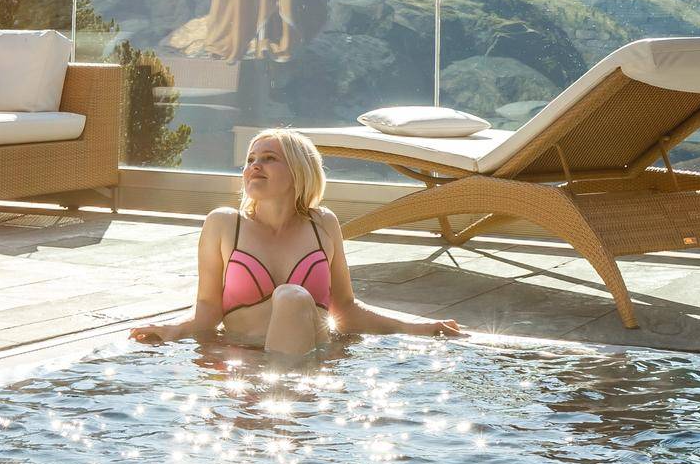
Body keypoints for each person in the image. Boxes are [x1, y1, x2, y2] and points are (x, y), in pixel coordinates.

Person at [130, 128, 463, 353]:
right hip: (245, 358)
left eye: (268, 158)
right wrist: (172, 329)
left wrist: (416, 328)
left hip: (305, 359)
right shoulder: (223, 224)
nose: (254, 167)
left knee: (291, 297)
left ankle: (286, 399)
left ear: (299, 171)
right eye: (250, 160)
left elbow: (345, 309)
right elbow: (207, 309)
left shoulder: (323, 224)